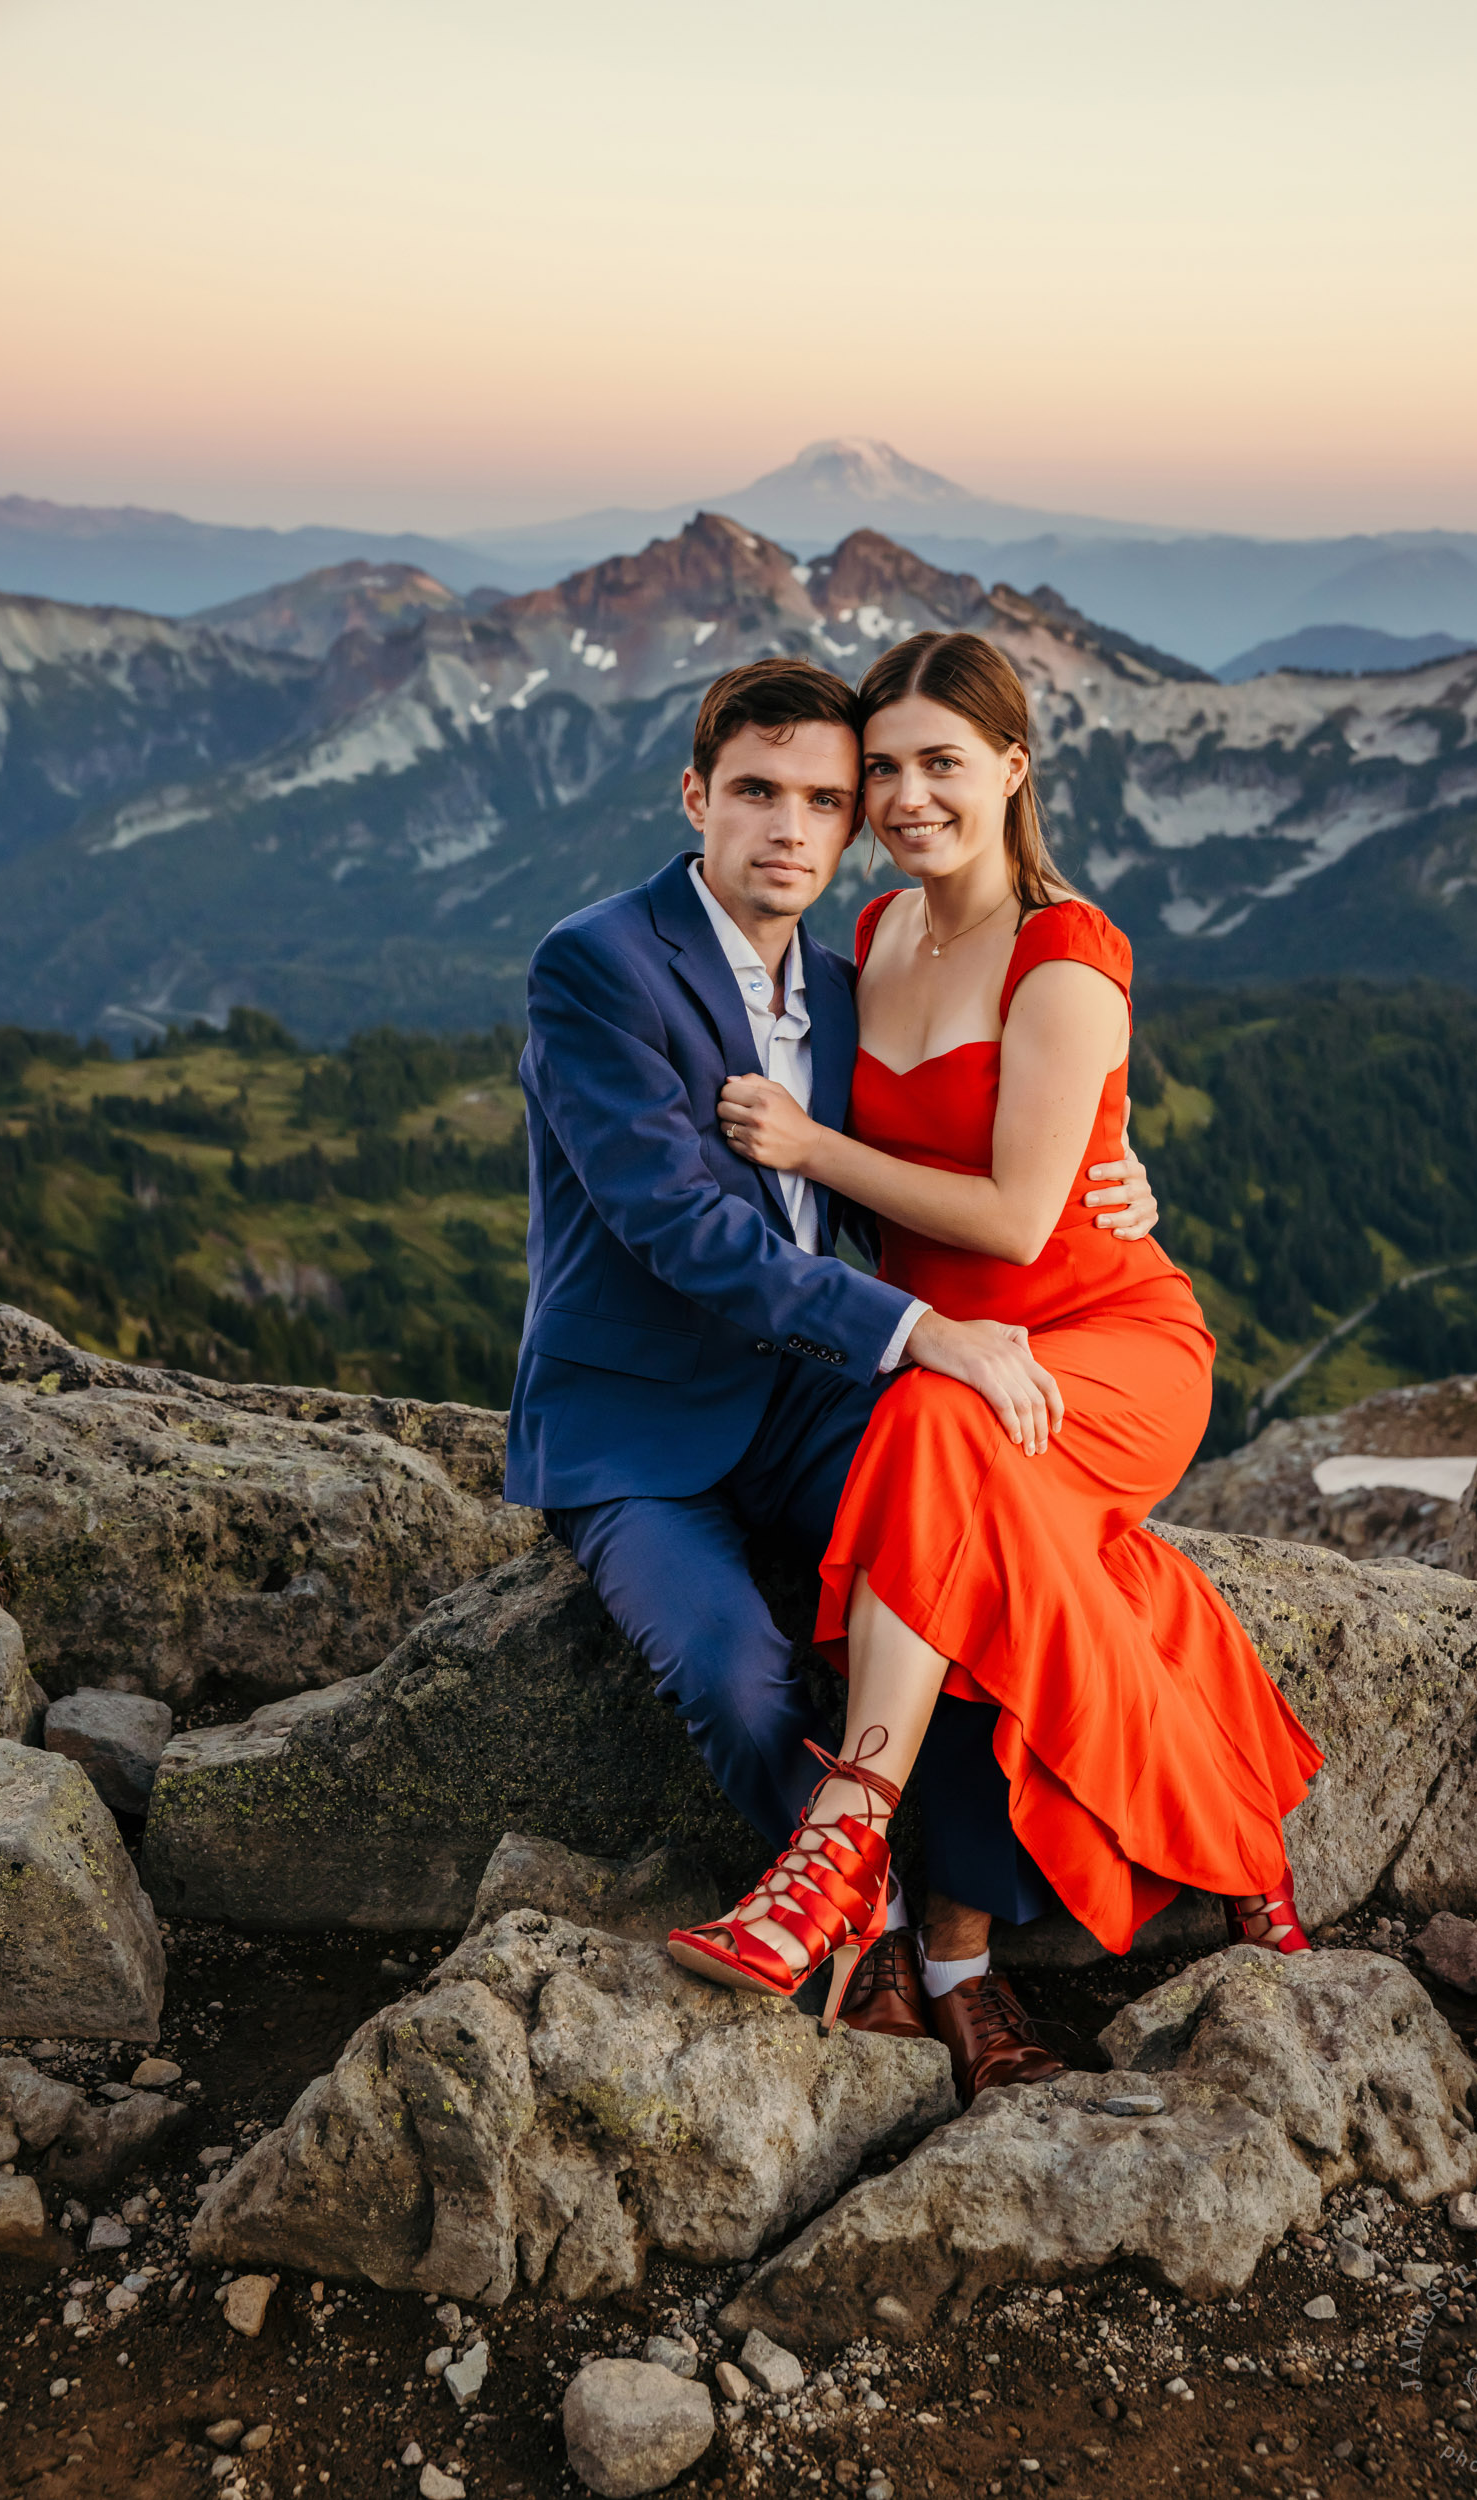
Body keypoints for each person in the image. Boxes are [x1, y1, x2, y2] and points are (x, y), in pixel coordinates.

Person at [668, 632, 1324, 2101]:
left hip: (1105, 1343)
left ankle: (841, 1838)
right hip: (963, 1353)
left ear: (1013, 770)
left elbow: (1027, 1219)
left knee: (933, 1427)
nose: (905, 799)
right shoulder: (882, 939)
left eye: (940, 764)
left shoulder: (1067, 950)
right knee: (968, 1475)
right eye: (882, 770)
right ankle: (1052, 1886)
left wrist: (810, 1137)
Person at [506, 653, 1159, 2078]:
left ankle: (968, 1962)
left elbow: (947, 1147)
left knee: (978, 1549)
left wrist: (1113, 1158)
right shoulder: (598, 965)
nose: (791, 828)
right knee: (744, 1684)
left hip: (803, 1392)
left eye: (821, 798)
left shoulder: (855, 979)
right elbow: (677, 1227)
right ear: (697, 797)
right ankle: (872, 1916)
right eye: (756, 793)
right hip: (636, 1429)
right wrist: (922, 1333)